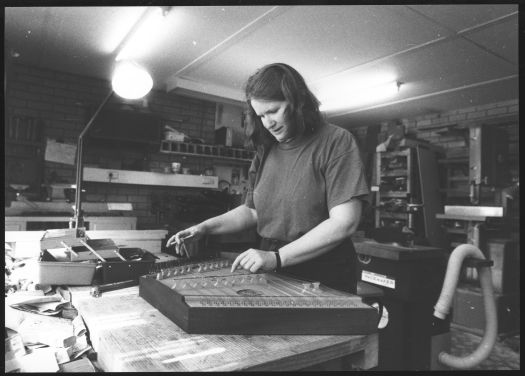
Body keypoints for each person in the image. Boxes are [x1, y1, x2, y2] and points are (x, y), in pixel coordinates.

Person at [166, 63, 369, 293]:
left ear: (298, 102)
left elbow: (344, 222)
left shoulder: (336, 142)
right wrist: (204, 227)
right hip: (274, 265)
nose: (268, 123)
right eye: (261, 115)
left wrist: (277, 257)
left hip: (322, 270)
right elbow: (252, 211)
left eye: (273, 111)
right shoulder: (266, 150)